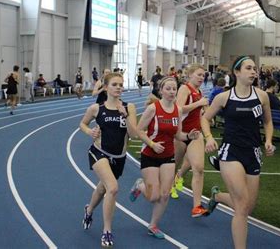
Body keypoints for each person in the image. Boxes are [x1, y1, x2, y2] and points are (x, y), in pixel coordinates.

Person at [201, 56, 274, 249]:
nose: (253, 72)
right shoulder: (224, 97)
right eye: (249, 68)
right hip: (231, 151)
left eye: (255, 69)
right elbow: (205, 118)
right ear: (237, 72)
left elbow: (267, 121)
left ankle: (217, 197)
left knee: (248, 206)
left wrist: (267, 140)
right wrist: (208, 137)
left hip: (253, 152)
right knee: (241, 206)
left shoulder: (262, 96)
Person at [129, 76, 200, 239]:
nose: (171, 92)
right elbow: (139, 131)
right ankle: (140, 185)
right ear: (161, 91)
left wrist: (189, 135)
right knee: (154, 196)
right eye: (168, 89)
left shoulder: (178, 110)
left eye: (174, 89)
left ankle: (153, 225)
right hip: (150, 154)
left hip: (168, 155)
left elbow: (178, 135)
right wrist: (152, 144)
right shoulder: (153, 108)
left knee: (165, 194)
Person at [80, 73, 138, 248]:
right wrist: (90, 132)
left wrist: (125, 115)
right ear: (106, 87)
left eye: (121, 84)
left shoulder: (130, 107)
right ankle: (107, 231)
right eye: (114, 84)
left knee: (102, 188)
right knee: (112, 188)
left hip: (119, 158)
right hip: (99, 152)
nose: (119, 87)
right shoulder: (96, 108)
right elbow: (82, 124)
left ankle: (89, 210)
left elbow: (134, 135)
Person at [170, 64, 209, 217]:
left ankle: (197, 206)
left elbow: (197, 113)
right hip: (180, 134)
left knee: (198, 168)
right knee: (171, 168)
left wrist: (204, 115)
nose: (201, 77)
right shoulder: (184, 89)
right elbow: (178, 109)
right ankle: (155, 185)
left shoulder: (199, 92)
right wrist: (199, 104)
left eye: (203, 75)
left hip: (195, 134)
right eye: (199, 74)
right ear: (190, 75)